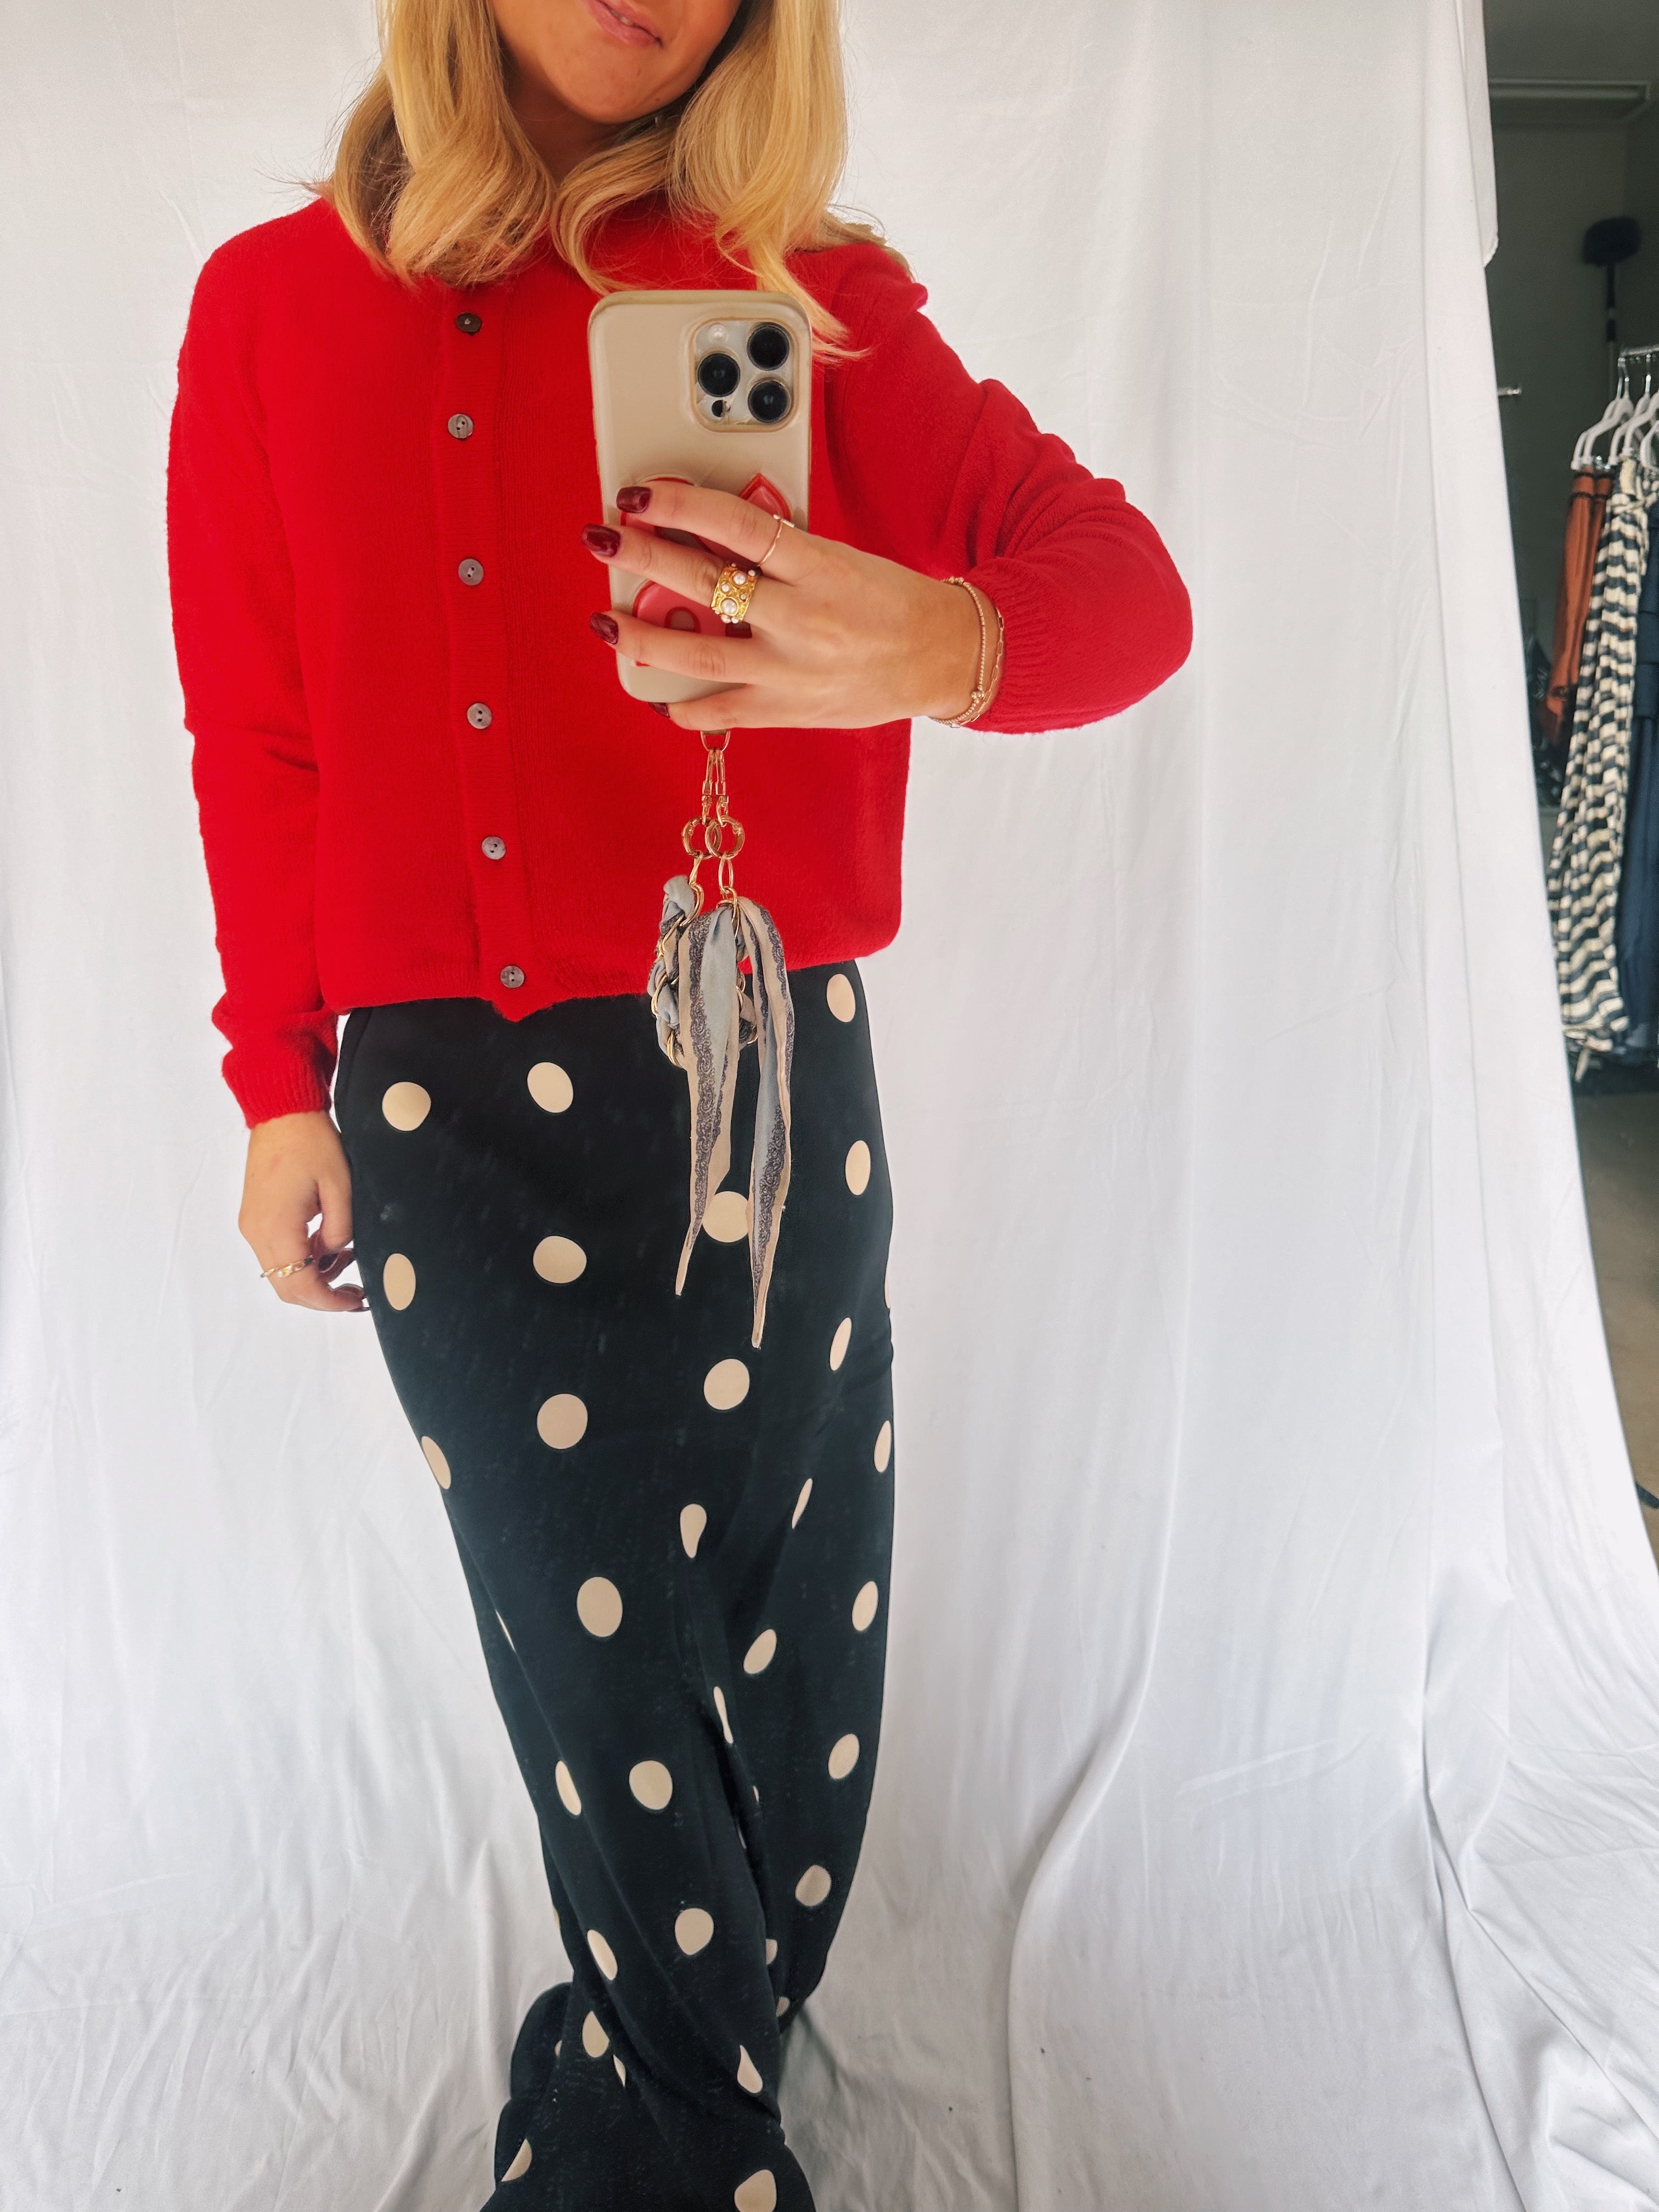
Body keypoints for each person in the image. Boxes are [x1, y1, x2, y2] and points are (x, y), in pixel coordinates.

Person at [166, 0, 1192, 2204]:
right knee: (601, 1681)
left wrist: (929, 645)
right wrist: (276, 1083)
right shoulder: (267, 309)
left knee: (801, 1657)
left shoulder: (803, 304)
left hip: (771, 1077)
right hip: (445, 1119)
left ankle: (647, 2080)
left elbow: (1131, 598)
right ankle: (704, 2157)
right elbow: (261, 735)